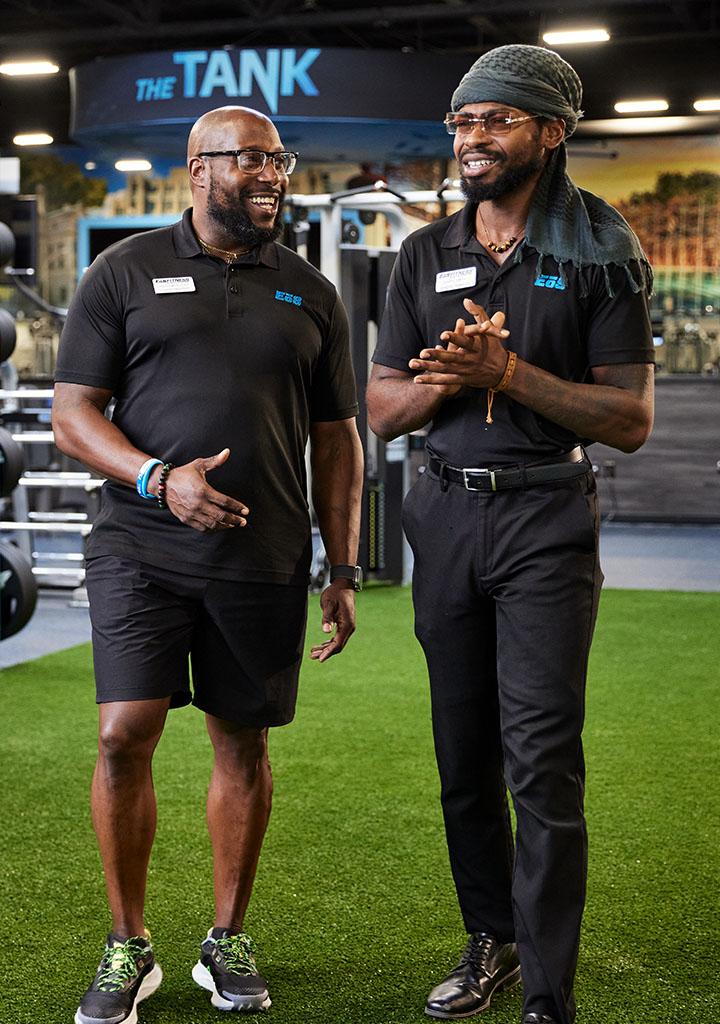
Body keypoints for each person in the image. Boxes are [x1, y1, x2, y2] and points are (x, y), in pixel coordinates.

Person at [53, 104, 364, 1024]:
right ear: (199, 168)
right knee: (123, 734)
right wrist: (158, 479)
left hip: (260, 552)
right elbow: (75, 415)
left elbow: (337, 439)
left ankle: (225, 936)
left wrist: (341, 568)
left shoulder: (310, 289)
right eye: (253, 161)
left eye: (280, 160)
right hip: (139, 545)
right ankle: (128, 943)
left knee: (242, 740)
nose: (273, 175)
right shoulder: (124, 272)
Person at [366, 45, 654, 1024]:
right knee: (463, 751)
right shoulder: (424, 255)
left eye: (493, 120)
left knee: (541, 757)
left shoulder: (600, 248)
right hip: (441, 513)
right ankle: (487, 938)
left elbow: (629, 419)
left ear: (550, 132)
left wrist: (510, 375)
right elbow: (380, 408)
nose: (470, 139)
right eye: (460, 122)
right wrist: (447, 378)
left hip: (545, 517)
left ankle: (545, 986)